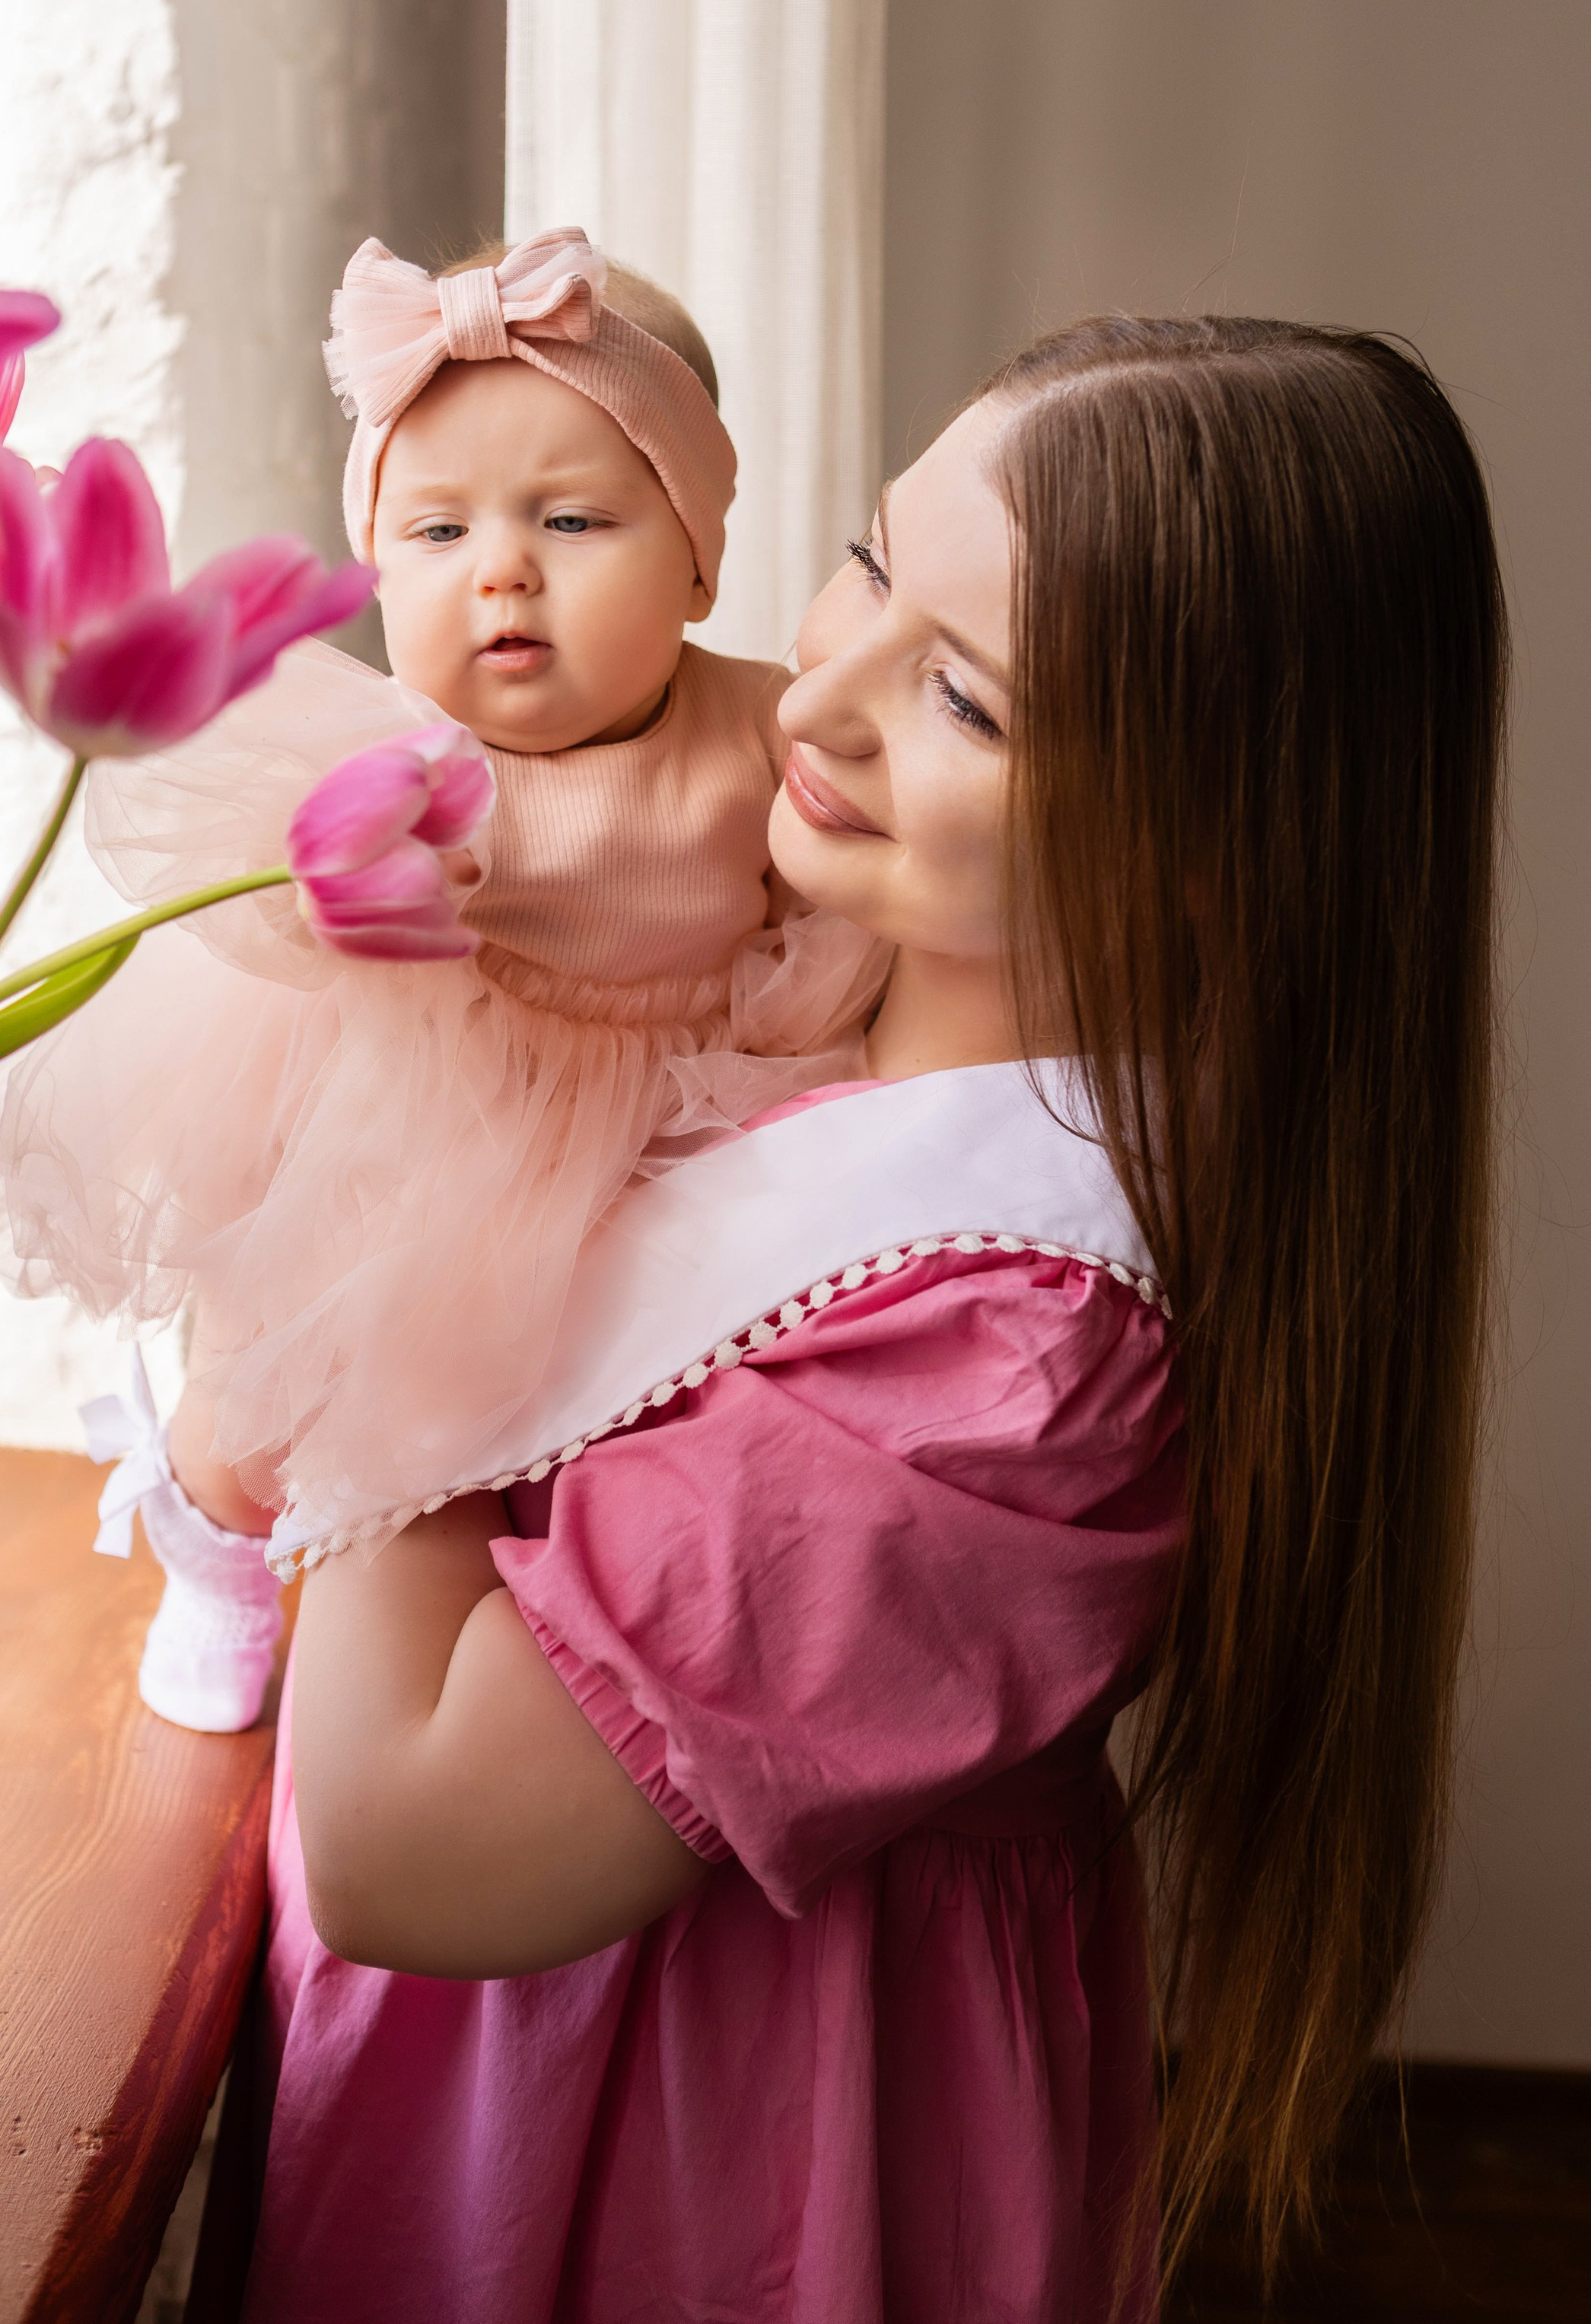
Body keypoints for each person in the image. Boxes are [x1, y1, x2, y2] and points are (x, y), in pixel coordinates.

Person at [237, 316, 1504, 2321]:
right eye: (866, 563)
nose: (813, 701)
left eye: (968, 704)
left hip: (701, 2150)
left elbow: (411, 1845)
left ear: (1211, 868)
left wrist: (401, 1175)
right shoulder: (779, 970)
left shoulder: (1019, 1354)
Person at [0, 227, 885, 1727]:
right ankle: (209, 1535)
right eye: (435, 534)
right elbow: (251, 882)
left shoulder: (759, 732)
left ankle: (523, 1649)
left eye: (569, 522)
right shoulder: (378, 748)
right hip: (414, 1133)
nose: (500, 569)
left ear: (696, 556)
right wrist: (358, 883)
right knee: (279, 1389)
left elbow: (836, 900)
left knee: (592, 1430)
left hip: (669, 1133)